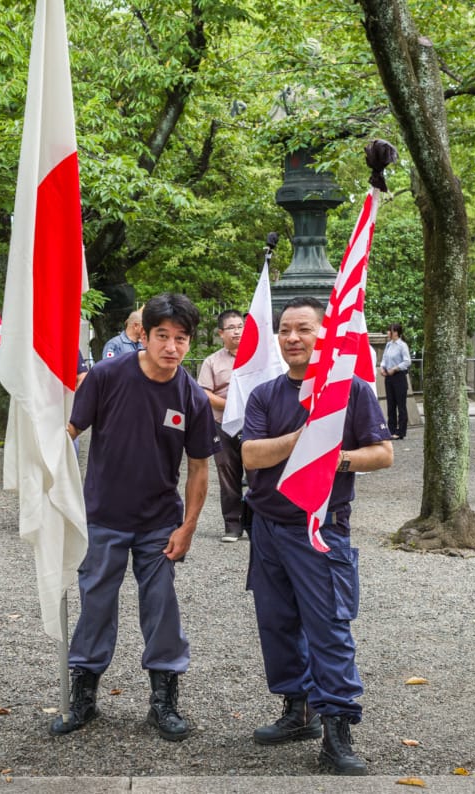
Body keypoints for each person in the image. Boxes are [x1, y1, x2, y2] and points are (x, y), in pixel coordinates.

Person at [52, 293, 218, 742]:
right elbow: (68, 432)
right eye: (162, 335)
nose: (171, 347)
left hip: (160, 523)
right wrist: (46, 480)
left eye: (181, 339)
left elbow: (200, 467)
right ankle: (84, 693)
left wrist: (188, 526)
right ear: (143, 335)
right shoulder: (107, 376)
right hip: (102, 515)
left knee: (162, 608)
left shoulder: (192, 398)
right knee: (95, 605)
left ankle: (164, 698)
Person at [240, 296, 393, 775]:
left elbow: (383, 453)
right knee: (278, 622)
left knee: (328, 629)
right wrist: (302, 440)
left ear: (324, 335)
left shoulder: (350, 391)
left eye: (304, 329)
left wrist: (336, 457)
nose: (292, 338)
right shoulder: (265, 394)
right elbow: (250, 455)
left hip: (321, 528)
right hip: (267, 525)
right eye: (285, 330)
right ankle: (297, 710)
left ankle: (338, 728)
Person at [198, 308, 245, 542]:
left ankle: (258, 526)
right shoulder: (212, 362)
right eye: (231, 328)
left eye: (240, 326)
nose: (237, 332)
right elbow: (204, 393)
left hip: (254, 425)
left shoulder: (257, 358)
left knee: (259, 475)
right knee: (228, 473)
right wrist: (232, 405)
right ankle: (233, 526)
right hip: (222, 423)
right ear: (221, 333)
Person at [380, 322, 411, 440]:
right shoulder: (388, 345)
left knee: (401, 405)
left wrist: (395, 368)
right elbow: (384, 359)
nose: (388, 333)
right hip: (389, 376)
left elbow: (407, 361)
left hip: (399, 376)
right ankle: (391, 429)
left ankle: (400, 431)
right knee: (391, 404)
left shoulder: (402, 345)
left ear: (396, 332)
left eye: (390, 330)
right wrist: (383, 368)